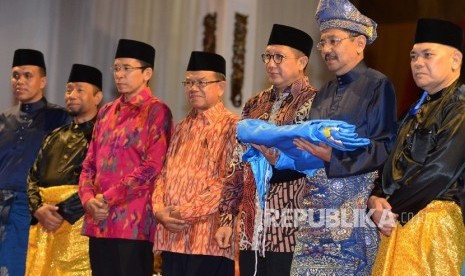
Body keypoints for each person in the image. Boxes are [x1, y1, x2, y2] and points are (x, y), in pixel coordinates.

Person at [289, 0, 398, 275]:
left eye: (333, 41)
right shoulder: (323, 93)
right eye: (322, 43)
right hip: (313, 219)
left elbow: (384, 146)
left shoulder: (378, 85)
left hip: (351, 223)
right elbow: (310, 150)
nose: (326, 49)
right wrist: (283, 157)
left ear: (359, 43)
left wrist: (334, 157)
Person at [215, 24, 317, 275]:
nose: (271, 63)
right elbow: (236, 163)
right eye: (268, 56)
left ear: (302, 61)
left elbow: (314, 162)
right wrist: (227, 219)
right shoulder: (254, 105)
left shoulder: (316, 103)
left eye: (279, 57)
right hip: (252, 228)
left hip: (293, 228)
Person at [369, 18, 465, 276]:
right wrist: (375, 200)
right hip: (398, 223)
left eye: (427, 55)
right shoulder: (415, 110)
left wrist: (391, 210)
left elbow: (441, 170)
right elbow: (390, 164)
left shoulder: (460, 107)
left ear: (455, 60)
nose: (418, 62)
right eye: (413, 56)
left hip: (434, 226)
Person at [78, 39, 173, 276]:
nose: (119, 75)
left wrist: (107, 198)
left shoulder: (157, 111)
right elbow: (89, 162)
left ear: (147, 73)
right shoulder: (106, 111)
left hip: (133, 223)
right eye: (116, 68)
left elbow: (152, 167)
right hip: (98, 221)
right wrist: (88, 199)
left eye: (126, 68)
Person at [152, 51, 238, 276]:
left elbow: (228, 183)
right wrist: (159, 210)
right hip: (173, 237)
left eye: (201, 82)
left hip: (208, 239)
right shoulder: (180, 127)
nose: (193, 88)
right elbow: (164, 174)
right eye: (189, 82)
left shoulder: (233, 126)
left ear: (220, 87)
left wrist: (183, 212)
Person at [25, 64, 103, 275]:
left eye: (79, 90)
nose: (71, 95)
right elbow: (33, 177)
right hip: (44, 226)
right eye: (69, 90)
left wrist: (62, 212)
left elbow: (101, 182)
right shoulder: (55, 136)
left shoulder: (104, 136)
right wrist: (38, 209)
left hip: (77, 226)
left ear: (97, 97)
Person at [0, 49, 71, 276]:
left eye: (27, 75)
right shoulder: (4, 119)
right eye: (15, 75)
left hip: (33, 212)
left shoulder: (60, 119)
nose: (20, 81)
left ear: (43, 81)